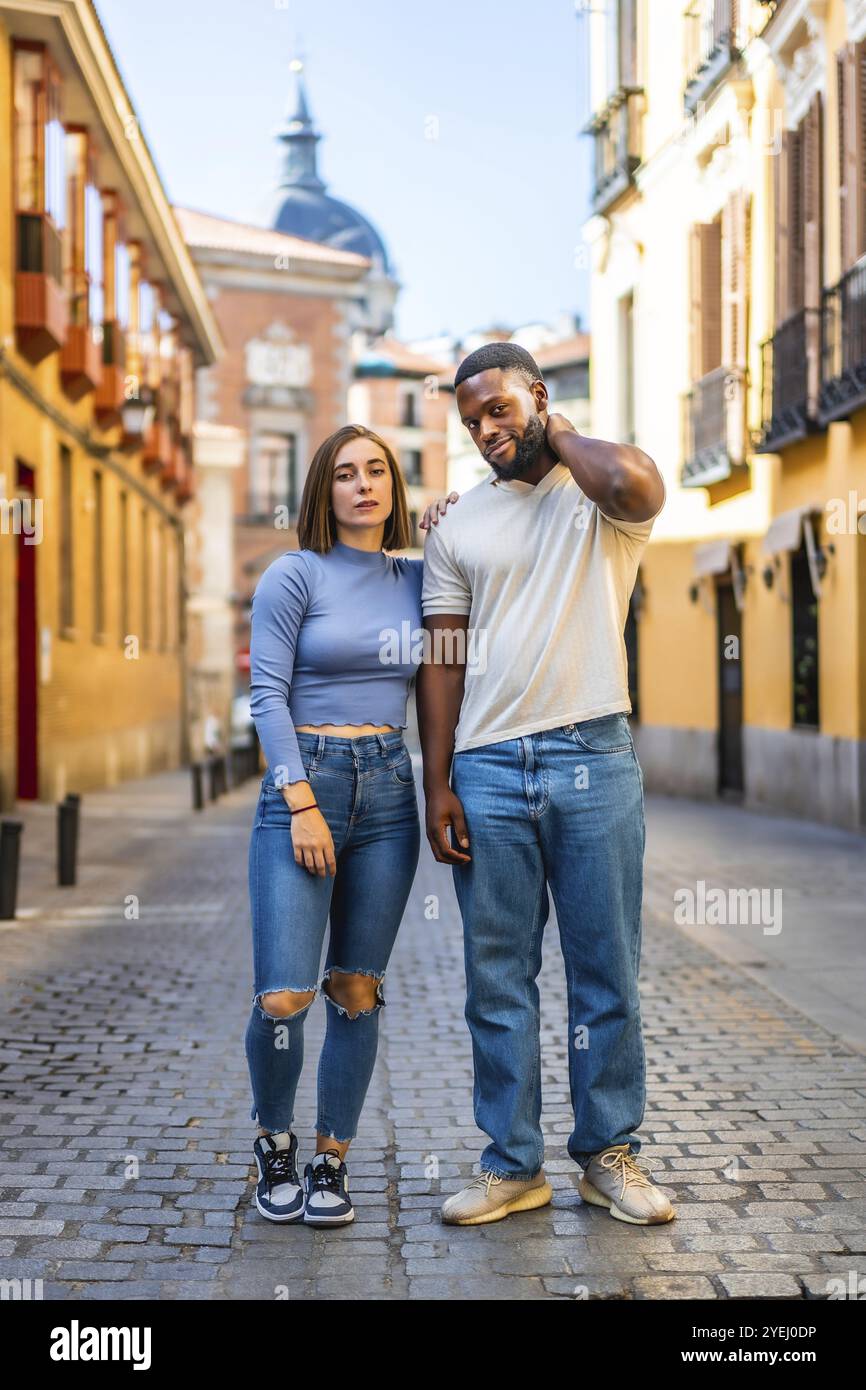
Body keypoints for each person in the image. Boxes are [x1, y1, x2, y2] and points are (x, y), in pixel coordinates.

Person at [417, 342, 675, 1227]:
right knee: (498, 978)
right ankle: (511, 1165)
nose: (487, 430)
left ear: (537, 396)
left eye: (500, 410)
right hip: (486, 769)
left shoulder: (599, 497)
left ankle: (610, 1154)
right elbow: (442, 655)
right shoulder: (457, 526)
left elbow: (640, 482)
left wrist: (557, 435)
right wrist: (437, 780)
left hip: (594, 757)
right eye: (471, 421)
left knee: (607, 971)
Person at [245, 422, 457, 1225]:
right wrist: (299, 799)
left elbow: (452, 645)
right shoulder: (294, 575)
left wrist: (454, 524)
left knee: (356, 989)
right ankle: (275, 1144)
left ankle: (331, 1162)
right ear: (322, 491)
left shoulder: (416, 578)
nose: (363, 484)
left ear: (394, 488)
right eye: (345, 473)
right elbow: (265, 695)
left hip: (390, 790)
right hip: (307, 785)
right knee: (284, 996)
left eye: (377, 470)